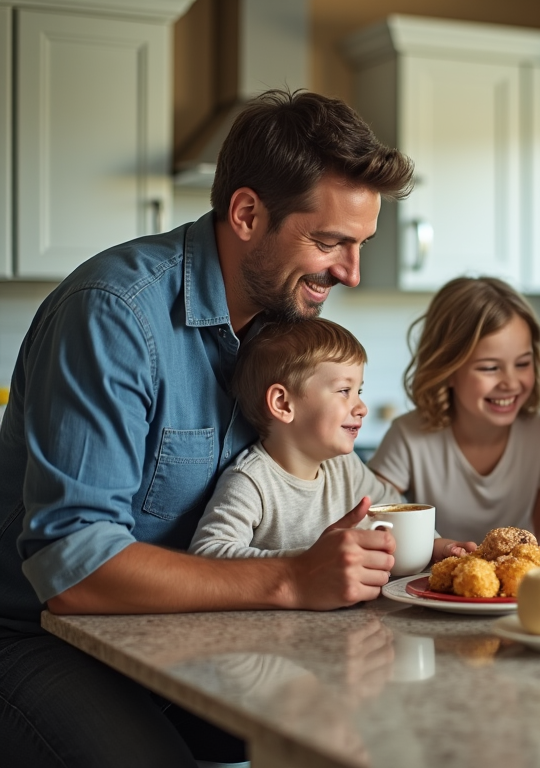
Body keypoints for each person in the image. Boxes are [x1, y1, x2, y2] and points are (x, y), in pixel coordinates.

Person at [0, 90, 414, 767]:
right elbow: (73, 568)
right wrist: (289, 581)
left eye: (360, 245)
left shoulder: (286, 331)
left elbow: (321, 483)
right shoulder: (113, 316)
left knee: (380, 729)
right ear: (248, 213)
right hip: (43, 639)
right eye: (331, 241)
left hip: (191, 634)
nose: (350, 272)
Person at [188, 318, 474, 560]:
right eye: (343, 391)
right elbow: (207, 553)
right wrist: (310, 561)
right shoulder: (251, 481)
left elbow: (396, 515)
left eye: (358, 391)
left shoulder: (346, 467)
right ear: (283, 404)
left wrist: (438, 547)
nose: (361, 408)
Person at [368, 276, 540, 546]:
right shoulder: (408, 436)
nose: (511, 383)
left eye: (523, 363)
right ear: (448, 370)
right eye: (490, 368)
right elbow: (374, 521)